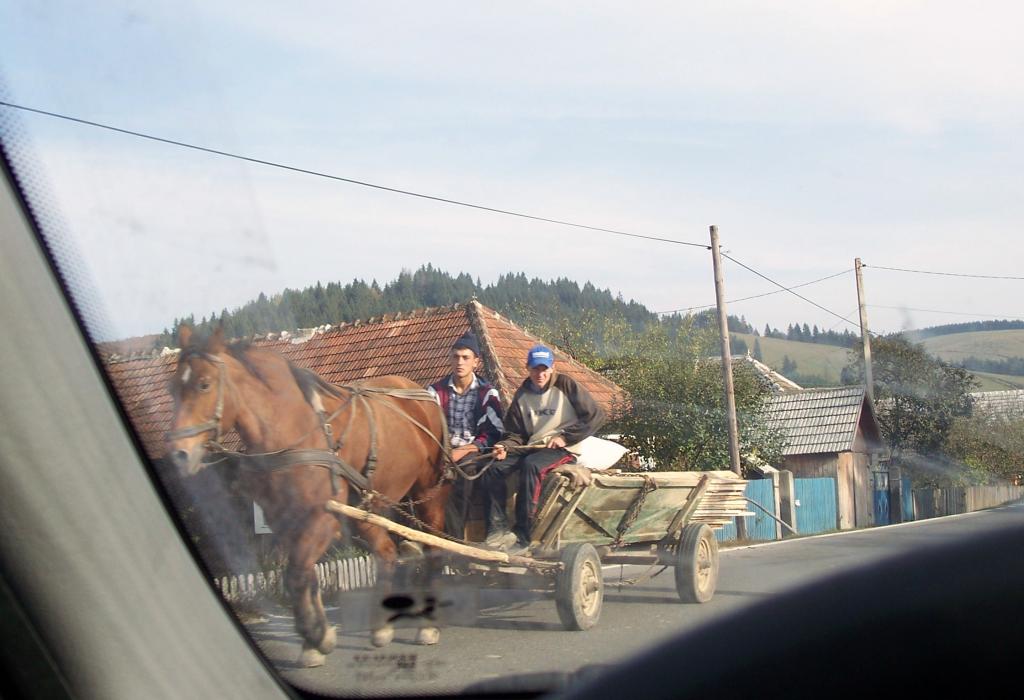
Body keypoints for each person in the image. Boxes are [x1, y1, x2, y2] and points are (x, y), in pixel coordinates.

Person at [482, 344, 606, 551]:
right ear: (528, 369)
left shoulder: (566, 386)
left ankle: (524, 532)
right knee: (492, 469)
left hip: (563, 449)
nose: (540, 373)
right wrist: (504, 446)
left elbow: (596, 416)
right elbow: (515, 434)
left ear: (551, 368)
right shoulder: (522, 395)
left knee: (531, 466)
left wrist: (566, 438)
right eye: (535, 369)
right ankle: (497, 528)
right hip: (533, 447)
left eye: (543, 368)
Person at [425, 332, 503, 539]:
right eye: (456, 357)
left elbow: (494, 433)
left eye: (466, 358)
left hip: (474, 453)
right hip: (440, 451)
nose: (460, 362)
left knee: (464, 471)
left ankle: (455, 539)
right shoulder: (434, 392)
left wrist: (464, 450)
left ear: (476, 362)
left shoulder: (487, 394)